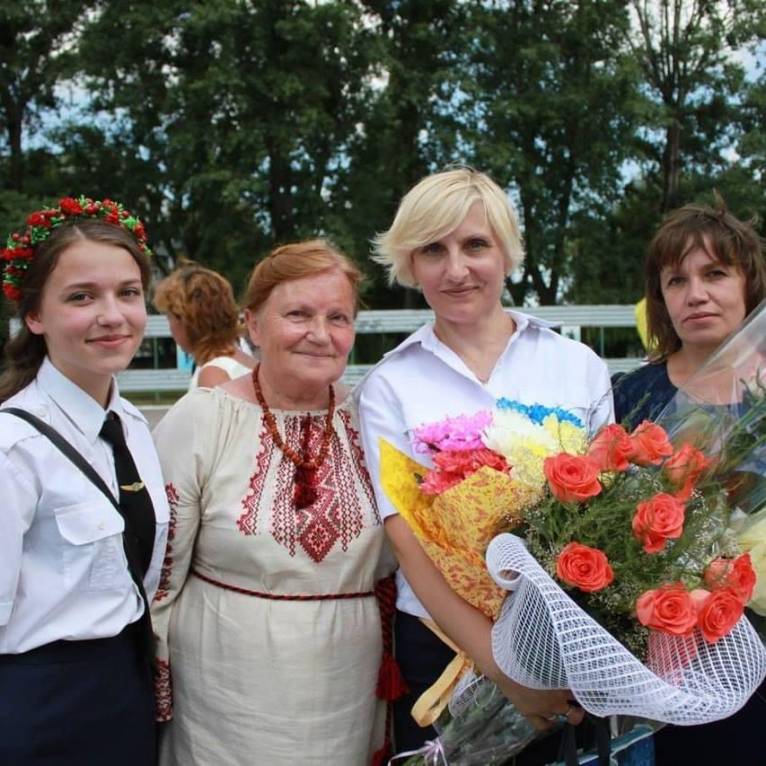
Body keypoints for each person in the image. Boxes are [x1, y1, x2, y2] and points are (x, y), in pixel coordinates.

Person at [357, 167, 614, 764]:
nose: (456, 270)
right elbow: (408, 541)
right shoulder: (389, 385)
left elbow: (609, 515)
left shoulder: (576, 366)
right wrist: (504, 669)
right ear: (409, 263)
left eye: (475, 245)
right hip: (443, 646)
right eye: (432, 250)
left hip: (566, 648)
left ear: (505, 252)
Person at [151, 239, 394, 765]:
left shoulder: (375, 417)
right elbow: (158, 579)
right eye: (298, 314)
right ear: (254, 325)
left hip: (347, 687)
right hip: (224, 692)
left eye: (338, 317)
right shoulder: (204, 419)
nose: (320, 334)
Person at [0, 197, 170, 765]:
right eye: (81, 297)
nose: (113, 315)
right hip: (39, 707)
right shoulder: (12, 447)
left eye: (128, 292)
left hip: (124, 692)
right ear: (34, 315)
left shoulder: (132, 427)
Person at [612, 200, 766, 766]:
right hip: (669, 654)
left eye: (715, 274)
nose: (695, 294)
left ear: (749, 284)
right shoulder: (632, 395)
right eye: (677, 280)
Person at [153, 263, 255, 388]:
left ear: (186, 320)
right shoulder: (246, 361)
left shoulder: (213, 374)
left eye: (169, 317)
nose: (170, 328)